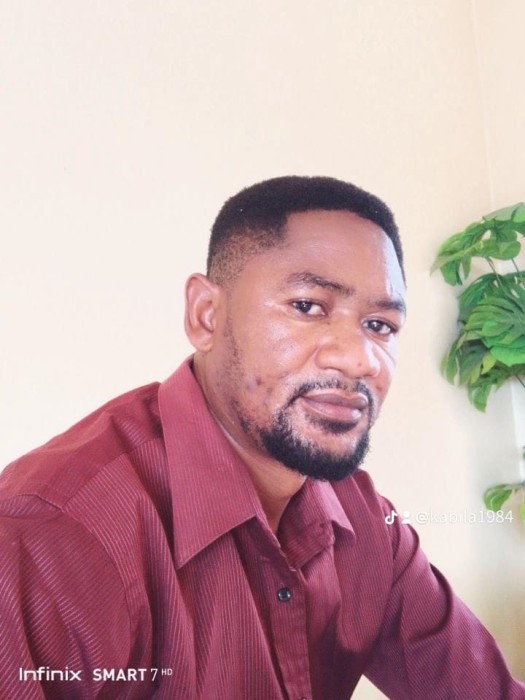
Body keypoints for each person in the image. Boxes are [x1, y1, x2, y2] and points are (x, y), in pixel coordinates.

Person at [0, 176, 523, 700]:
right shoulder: (50, 539)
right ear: (206, 315)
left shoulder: (366, 525)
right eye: (308, 306)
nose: (358, 358)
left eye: (380, 325)